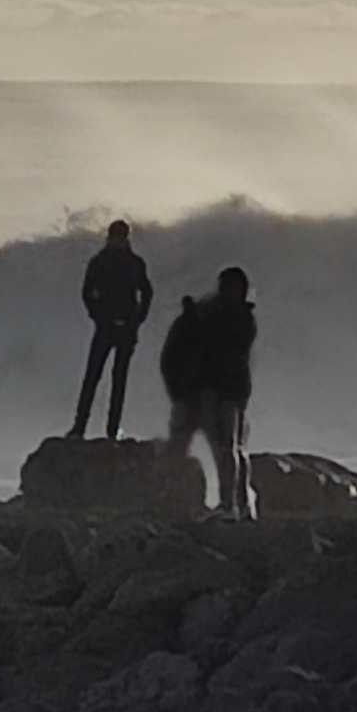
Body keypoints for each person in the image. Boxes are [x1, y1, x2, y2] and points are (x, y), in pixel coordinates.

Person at [162, 265, 257, 518]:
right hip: (215, 391)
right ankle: (238, 504)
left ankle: (233, 505)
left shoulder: (237, 319)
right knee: (227, 448)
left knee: (228, 448)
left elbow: (223, 351)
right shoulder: (228, 317)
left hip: (224, 392)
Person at [69, 220, 153, 440]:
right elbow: (87, 292)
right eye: (115, 236)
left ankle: (113, 428)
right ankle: (79, 426)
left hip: (127, 327)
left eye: (121, 236)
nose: (117, 240)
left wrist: (138, 319)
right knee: (92, 376)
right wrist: (97, 315)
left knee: (119, 379)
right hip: (105, 326)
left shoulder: (135, 263)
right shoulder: (99, 262)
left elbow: (146, 292)